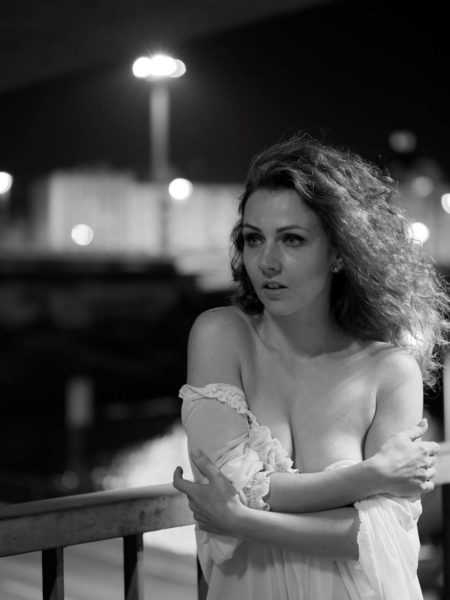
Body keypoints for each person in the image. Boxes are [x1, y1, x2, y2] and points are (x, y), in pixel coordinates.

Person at [173, 133, 448, 599]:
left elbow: (380, 537)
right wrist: (371, 475)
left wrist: (241, 520)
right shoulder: (221, 336)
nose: (267, 261)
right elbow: (234, 487)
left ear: (339, 252)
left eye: (292, 240)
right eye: (254, 239)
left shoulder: (390, 371)